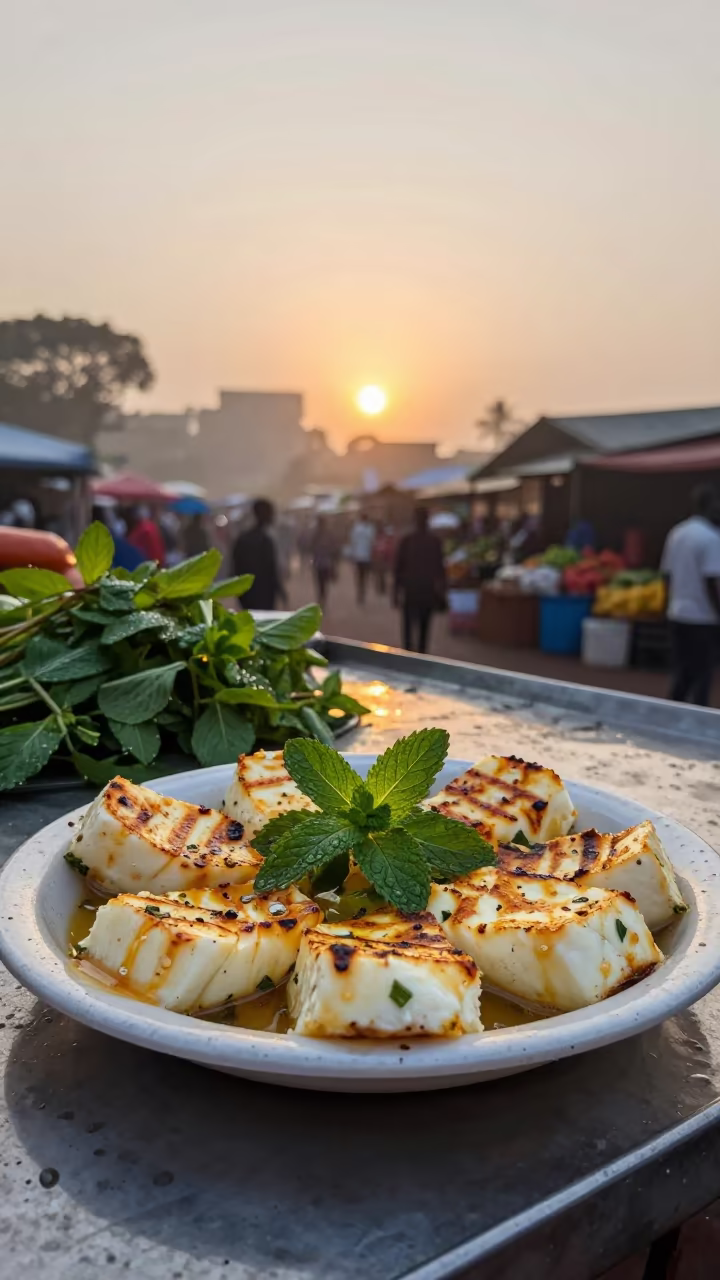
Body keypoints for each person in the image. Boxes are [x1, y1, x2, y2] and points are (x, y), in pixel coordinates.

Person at [661, 484, 720, 706]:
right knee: (702, 676)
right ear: (710, 506)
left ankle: (671, 714)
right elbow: (711, 582)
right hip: (702, 616)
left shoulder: (677, 532)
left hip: (677, 614)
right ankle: (698, 720)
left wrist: (666, 605)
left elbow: (666, 575)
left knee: (683, 673)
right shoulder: (711, 538)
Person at [393, 507, 447, 654]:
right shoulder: (435, 542)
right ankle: (421, 655)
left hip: (411, 590)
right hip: (427, 590)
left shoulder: (407, 541)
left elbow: (398, 569)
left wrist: (395, 593)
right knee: (424, 627)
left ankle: (409, 654)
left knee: (409, 627)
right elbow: (441, 570)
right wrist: (443, 592)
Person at [231, 498, 287, 610]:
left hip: (246, 593)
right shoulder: (265, 540)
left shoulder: (242, 538)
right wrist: (280, 590)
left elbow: (235, 566)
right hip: (264, 593)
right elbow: (271, 570)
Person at [310, 516, 338, 608]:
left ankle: (321, 598)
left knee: (320, 582)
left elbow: (311, 547)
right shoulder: (327, 534)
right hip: (324, 562)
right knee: (323, 582)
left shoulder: (316, 534)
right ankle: (322, 598)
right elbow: (334, 548)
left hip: (320, 562)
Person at [348, 512, 376, 605]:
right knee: (365, 576)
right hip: (366, 557)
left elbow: (353, 542)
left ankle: (360, 593)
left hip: (358, 556)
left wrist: (352, 555)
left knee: (360, 576)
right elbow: (373, 542)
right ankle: (362, 592)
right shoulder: (370, 529)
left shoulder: (356, 528)